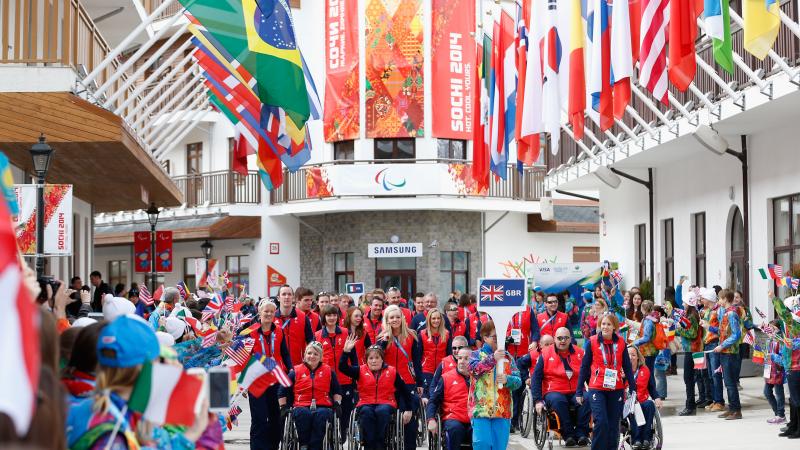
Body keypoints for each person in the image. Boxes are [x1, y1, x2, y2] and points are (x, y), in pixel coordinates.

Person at [65, 316, 210, 449]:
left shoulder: (83, 405)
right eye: (158, 361)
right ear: (143, 368)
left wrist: (192, 433)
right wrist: (194, 432)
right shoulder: (112, 432)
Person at [339, 337, 413, 450]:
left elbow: (404, 390)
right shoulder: (360, 370)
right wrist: (346, 352)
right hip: (365, 402)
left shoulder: (392, 371)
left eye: (377, 358)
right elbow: (342, 368)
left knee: (381, 411)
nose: (374, 361)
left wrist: (408, 409)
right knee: (366, 412)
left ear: (382, 359)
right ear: (367, 360)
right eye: (371, 358)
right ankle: (369, 444)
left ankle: (380, 443)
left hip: (386, 402)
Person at [576, 314, 636, 450]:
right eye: (603, 324)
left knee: (614, 424)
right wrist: (579, 390)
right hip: (597, 388)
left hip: (616, 388)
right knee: (601, 422)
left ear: (614, 326)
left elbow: (627, 366)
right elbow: (584, 367)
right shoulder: (591, 341)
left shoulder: (621, 342)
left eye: (609, 324)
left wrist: (633, 387)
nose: (605, 327)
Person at [531, 327, 590, 447]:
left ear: (570, 339)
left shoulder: (580, 353)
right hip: (554, 390)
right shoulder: (545, 353)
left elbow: (588, 374)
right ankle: (568, 435)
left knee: (587, 397)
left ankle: (582, 434)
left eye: (566, 338)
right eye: (559, 338)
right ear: (554, 339)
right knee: (559, 400)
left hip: (576, 390)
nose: (563, 341)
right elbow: (536, 378)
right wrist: (537, 400)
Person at [278, 342, 342, 450]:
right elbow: (282, 390)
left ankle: (314, 446)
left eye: (316, 354)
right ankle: (303, 445)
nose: (312, 356)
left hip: (323, 405)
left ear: (321, 357)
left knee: (321, 415)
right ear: (305, 355)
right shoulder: (296, 371)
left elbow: (337, 390)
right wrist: (283, 407)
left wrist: (337, 403)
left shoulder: (328, 371)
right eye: (309, 353)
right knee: (303, 414)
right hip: (301, 404)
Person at [247, 300, 292, 450]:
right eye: (266, 311)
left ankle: (273, 446)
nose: (268, 314)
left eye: (272, 312)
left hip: (275, 379)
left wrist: (291, 369)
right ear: (259, 312)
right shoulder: (250, 331)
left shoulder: (279, 331)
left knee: (275, 418)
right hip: (256, 381)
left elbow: (285, 353)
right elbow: (243, 357)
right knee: (259, 419)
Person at [469, 321, 521, 450]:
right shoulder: (475, 355)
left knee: (499, 447)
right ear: (485, 338)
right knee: (482, 444)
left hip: (502, 410)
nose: (499, 340)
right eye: (495, 337)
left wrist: (507, 380)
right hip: (481, 410)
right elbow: (474, 370)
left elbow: (519, 381)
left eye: (501, 336)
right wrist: (493, 358)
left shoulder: (508, 357)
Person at [377, 305, 422, 450]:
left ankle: (409, 446)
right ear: (387, 320)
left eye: (398, 317)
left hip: (407, 381)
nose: (395, 320)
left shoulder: (411, 335)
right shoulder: (381, 336)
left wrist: (420, 382)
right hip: (388, 382)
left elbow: (416, 361)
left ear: (402, 318)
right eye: (392, 317)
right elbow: (376, 358)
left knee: (410, 415)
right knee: (384, 414)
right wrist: (384, 341)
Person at [315, 305, 356, 442]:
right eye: (328, 315)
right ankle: (330, 436)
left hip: (345, 380)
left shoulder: (346, 332)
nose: (332, 318)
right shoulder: (317, 335)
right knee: (328, 410)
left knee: (345, 411)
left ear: (338, 317)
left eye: (334, 315)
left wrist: (356, 377)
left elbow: (354, 357)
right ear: (324, 317)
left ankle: (343, 433)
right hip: (326, 381)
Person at [426, 348, 472, 450]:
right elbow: (433, 401)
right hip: (453, 418)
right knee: (455, 429)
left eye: (466, 359)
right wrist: (431, 419)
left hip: (474, 419)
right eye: (460, 358)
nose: (462, 362)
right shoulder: (446, 378)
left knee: (480, 432)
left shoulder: (478, 378)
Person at [712, 289, 743, 420]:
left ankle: (736, 410)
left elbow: (736, 335)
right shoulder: (725, 313)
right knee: (728, 382)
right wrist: (708, 326)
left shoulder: (731, 314)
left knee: (730, 383)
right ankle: (732, 408)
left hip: (730, 352)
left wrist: (722, 345)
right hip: (725, 352)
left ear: (725, 299)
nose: (718, 301)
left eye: (720, 298)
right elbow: (722, 332)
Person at [675, 298, 709, 416]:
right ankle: (691, 404)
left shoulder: (692, 316)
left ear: (689, 304)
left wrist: (679, 330)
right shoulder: (692, 315)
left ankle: (690, 406)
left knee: (688, 378)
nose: (683, 304)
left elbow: (692, 333)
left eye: (684, 302)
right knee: (693, 377)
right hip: (695, 349)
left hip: (692, 350)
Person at [626, 346, 663, 450]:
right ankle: (636, 439)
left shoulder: (645, 370)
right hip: (629, 402)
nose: (631, 357)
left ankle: (647, 438)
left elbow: (651, 387)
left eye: (633, 355)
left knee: (649, 404)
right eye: (628, 355)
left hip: (643, 400)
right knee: (632, 408)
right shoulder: (622, 371)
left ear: (638, 357)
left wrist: (657, 398)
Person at [274, 285, 314, 368]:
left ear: (293, 298)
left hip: (299, 366)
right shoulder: (272, 318)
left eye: (289, 294)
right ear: (278, 298)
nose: (287, 297)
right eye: (284, 294)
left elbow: (311, 341)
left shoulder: (303, 317)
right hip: (277, 368)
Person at [698, 287, 725, 412]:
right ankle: (715, 400)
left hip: (714, 343)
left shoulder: (719, 311)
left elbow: (722, 330)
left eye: (703, 298)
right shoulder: (709, 311)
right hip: (708, 343)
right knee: (710, 374)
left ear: (709, 299)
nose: (701, 300)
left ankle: (719, 401)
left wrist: (709, 327)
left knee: (716, 374)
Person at [420, 308, 452, 392]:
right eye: (433, 318)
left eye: (438, 318)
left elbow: (449, 354)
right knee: (428, 395)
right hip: (426, 370)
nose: (436, 320)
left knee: (439, 395)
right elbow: (418, 355)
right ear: (429, 319)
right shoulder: (422, 334)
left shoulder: (447, 334)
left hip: (442, 370)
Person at [763, 323, 787, 425]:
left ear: (779, 329)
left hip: (778, 371)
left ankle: (781, 415)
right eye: (770, 327)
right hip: (769, 370)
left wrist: (772, 355)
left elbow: (782, 360)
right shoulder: (769, 340)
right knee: (767, 392)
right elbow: (766, 355)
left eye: (773, 328)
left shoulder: (781, 341)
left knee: (779, 393)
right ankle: (778, 413)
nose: (771, 329)